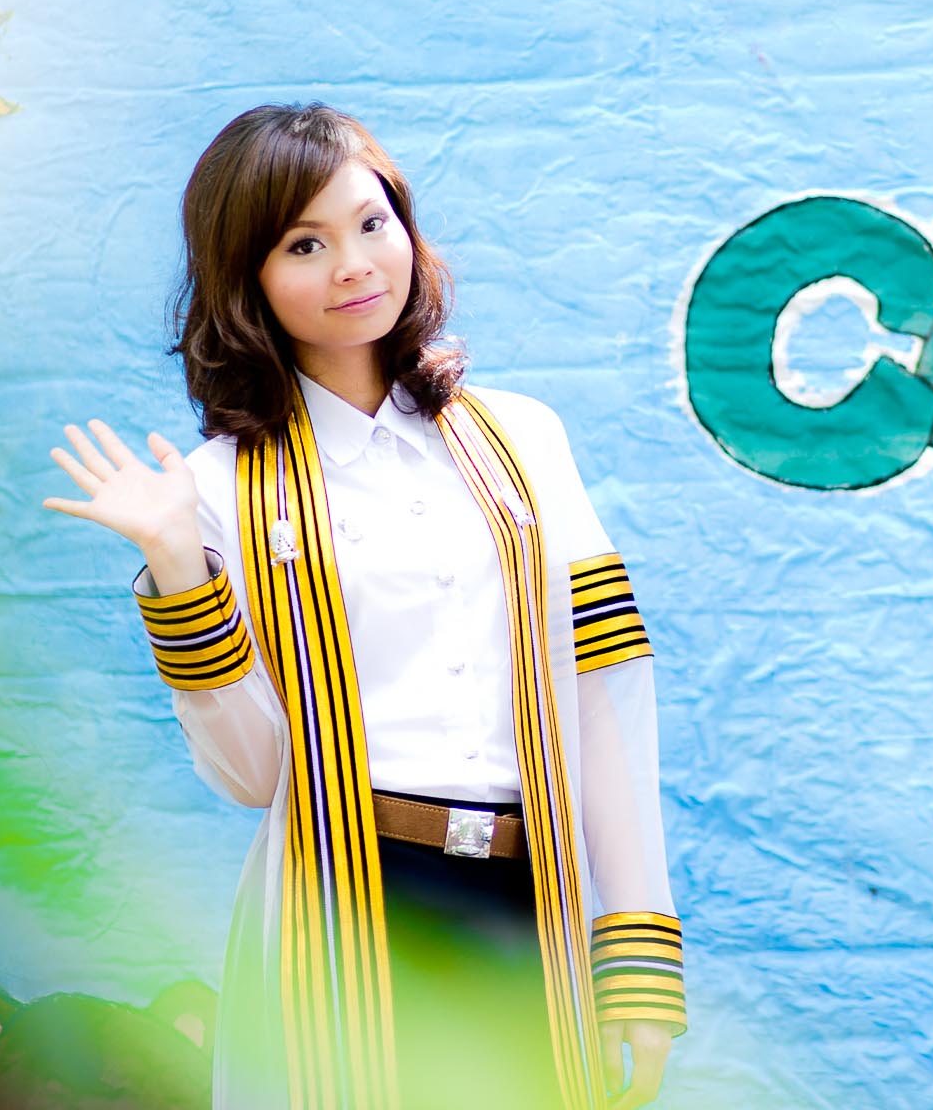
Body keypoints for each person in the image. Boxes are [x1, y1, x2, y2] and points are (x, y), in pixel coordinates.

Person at [43, 103, 682, 1110]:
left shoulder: (523, 440)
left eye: (371, 223)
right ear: (246, 278)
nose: (353, 265)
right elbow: (254, 775)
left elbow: (605, 690)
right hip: (348, 908)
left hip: (532, 894)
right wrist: (176, 565)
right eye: (305, 244)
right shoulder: (217, 489)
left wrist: (636, 949)